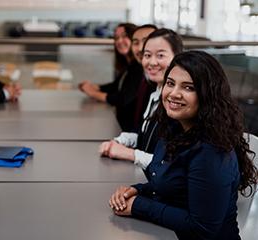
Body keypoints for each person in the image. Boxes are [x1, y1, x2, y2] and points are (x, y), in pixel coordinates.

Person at [109, 51, 258, 239]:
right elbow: (174, 185)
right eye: (170, 84)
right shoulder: (173, 129)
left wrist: (139, 205)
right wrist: (138, 189)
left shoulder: (211, 151)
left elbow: (203, 228)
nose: (174, 93)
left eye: (188, 88)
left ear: (208, 95)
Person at [100, 28, 183, 170]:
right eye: (147, 55)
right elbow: (144, 134)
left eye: (160, 55)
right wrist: (119, 141)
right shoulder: (155, 93)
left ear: (177, 57)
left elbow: (171, 165)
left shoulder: (178, 103)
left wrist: (131, 154)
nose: (152, 62)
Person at [79, 24, 156, 132]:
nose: (119, 41)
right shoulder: (130, 65)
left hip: (129, 131)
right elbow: (117, 85)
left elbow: (123, 98)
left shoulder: (140, 68)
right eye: (116, 38)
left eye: (124, 36)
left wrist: (93, 93)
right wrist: (95, 87)